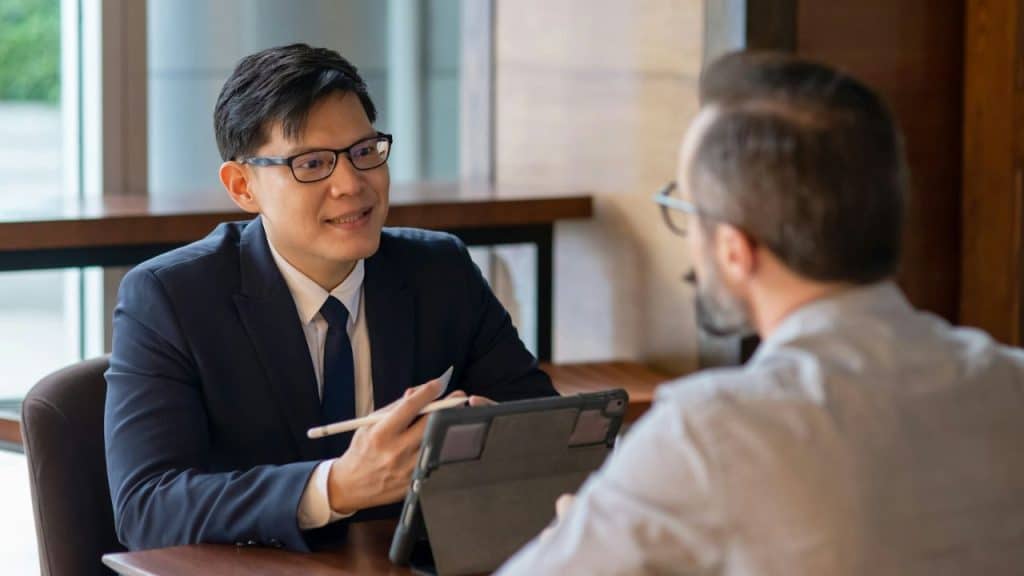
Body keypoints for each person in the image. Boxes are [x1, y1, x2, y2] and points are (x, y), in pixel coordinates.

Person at [499, 51, 1024, 575]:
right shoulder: (1010, 380)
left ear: (735, 250)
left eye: (687, 210)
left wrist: (570, 537)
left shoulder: (709, 434)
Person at [104, 43, 555, 553]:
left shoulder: (440, 271)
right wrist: (336, 487)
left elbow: (544, 428)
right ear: (243, 186)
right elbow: (147, 507)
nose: (351, 184)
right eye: (313, 163)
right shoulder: (170, 298)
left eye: (364, 152)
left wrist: (490, 436)